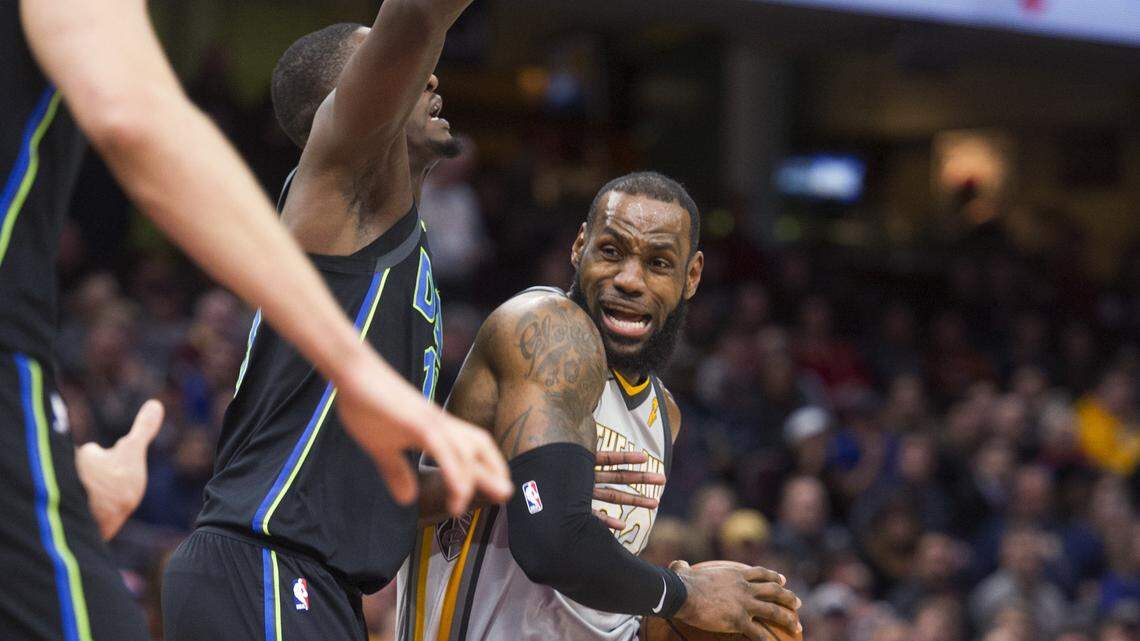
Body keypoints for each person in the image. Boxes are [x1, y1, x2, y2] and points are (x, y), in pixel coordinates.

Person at [5, 1, 508, 639]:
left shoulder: (394, 255)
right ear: (346, 101)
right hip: (267, 564)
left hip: (306, 580)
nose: (429, 76)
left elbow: (382, 489)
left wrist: (519, 477)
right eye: (391, 63)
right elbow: (415, 16)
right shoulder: (341, 189)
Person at [401, 172, 803, 641]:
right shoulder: (544, 330)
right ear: (579, 247)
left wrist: (674, 625)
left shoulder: (663, 416)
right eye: (612, 252)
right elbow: (551, 547)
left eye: (658, 263)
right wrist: (685, 595)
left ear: (691, 276)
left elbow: (590, 606)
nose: (630, 280)